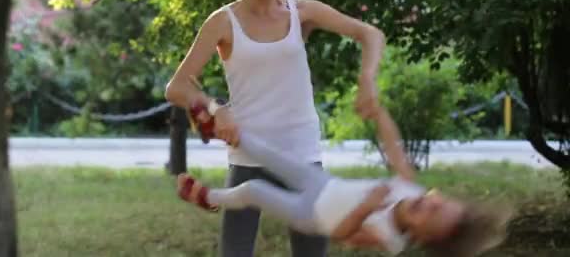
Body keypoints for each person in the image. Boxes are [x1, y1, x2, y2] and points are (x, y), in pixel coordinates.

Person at [165, 0, 385, 256]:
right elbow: (177, 86)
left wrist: (367, 79)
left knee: (311, 251)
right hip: (249, 150)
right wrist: (215, 109)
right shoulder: (223, 22)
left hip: (302, 152)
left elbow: (371, 34)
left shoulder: (302, 12)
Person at [179, 105, 512, 256]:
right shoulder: (411, 189)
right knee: (268, 153)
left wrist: (366, 208)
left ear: (423, 238)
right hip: (323, 184)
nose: (431, 201)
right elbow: (395, 151)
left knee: (253, 190)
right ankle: (216, 129)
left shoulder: (391, 239)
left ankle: (209, 197)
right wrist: (380, 114)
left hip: (309, 215)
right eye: (441, 200)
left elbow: (342, 237)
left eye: (434, 214)